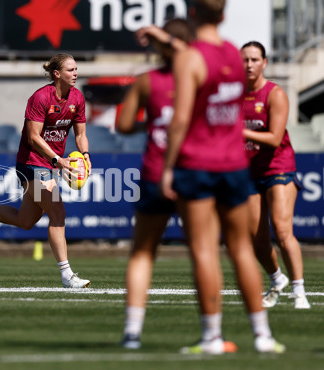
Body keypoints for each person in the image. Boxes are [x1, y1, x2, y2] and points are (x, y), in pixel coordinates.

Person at [160, 0, 285, 354]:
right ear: (224, 14)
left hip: (199, 163)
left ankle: (212, 337)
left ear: (192, 13)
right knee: (242, 249)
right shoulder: (233, 55)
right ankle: (263, 336)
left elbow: (181, 119)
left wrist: (168, 167)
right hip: (233, 165)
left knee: (204, 251)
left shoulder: (190, 57)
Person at [0, 53, 91, 289]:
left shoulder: (77, 97)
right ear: (57, 74)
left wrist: (86, 157)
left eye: (76, 69)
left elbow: (80, 135)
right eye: (70, 70)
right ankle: (67, 275)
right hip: (31, 163)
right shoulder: (40, 98)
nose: (75, 73)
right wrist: (58, 159)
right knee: (57, 211)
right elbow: (33, 137)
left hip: (50, 164)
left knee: (25, 221)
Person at [115, 20, 195, 349]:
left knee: (143, 253)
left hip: (154, 170)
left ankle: (132, 332)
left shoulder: (146, 82)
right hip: (193, 171)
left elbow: (122, 124)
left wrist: (153, 122)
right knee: (203, 251)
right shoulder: (200, 77)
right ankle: (212, 333)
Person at [241, 41, 310, 309]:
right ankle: (277, 279)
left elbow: (274, 138)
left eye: (254, 59)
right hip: (249, 172)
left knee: (282, 231)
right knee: (255, 239)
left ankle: (299, 291)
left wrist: (239, 132)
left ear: (264, 63)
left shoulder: (274, 94)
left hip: (278, 168)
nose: (249, 65)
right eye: (245, 60)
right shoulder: (234, 96)